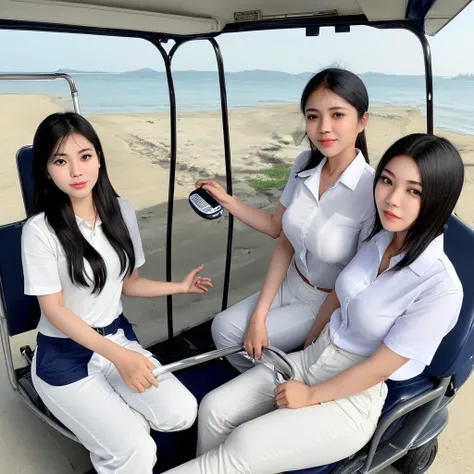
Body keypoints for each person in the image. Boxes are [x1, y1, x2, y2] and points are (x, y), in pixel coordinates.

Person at [165, 133, 464, 474]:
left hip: (353, 394)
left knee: (243, 445)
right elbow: (338, 294)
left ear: (441, 199)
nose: (392, 200)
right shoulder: (381, 239)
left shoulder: (440, 288)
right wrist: (307, 350)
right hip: (314, 356)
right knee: (215, 408)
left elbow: (379, 367)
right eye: (386, 181)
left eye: (415, 191)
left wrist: (310, 395)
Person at [22, 112, 213, 474]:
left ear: (98, 158)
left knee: (182, 413)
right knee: (135, 450)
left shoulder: (120, 211)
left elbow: (129, 283)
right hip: (64, 357)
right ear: (47, 171)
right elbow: (55, 310)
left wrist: (181, 286)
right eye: (61, 161)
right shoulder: (40, 230)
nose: (76, 171)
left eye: (85, 156)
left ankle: (116, 420)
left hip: (116, 338)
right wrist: (118, 357)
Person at [211, 68, 375, 371]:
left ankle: (269, 383)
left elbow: (355, 284)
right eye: (313, 116)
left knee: (237, 337)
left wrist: (313, 340)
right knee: (223, 327)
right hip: (289, 281)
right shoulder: (305, 164)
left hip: (324, 303)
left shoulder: (372, 191)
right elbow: (280, 233)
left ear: (362, 120)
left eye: (337, 115)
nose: (323, 127)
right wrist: (227, 201)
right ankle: (262, 377)